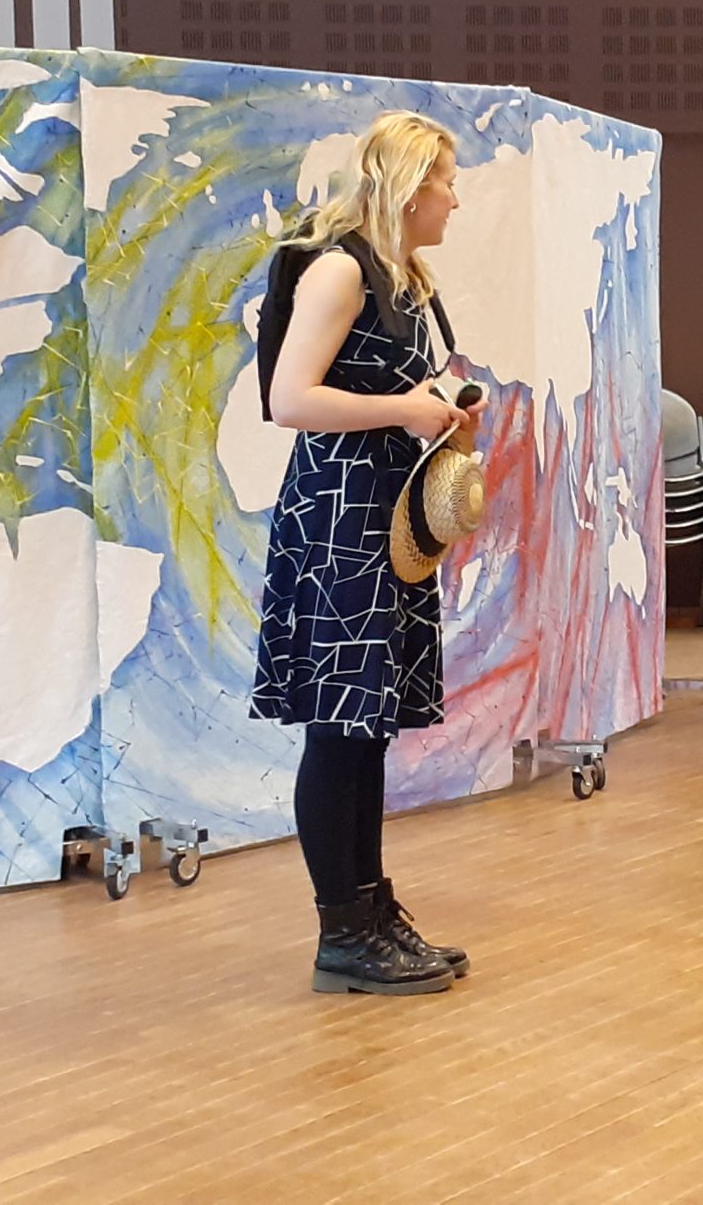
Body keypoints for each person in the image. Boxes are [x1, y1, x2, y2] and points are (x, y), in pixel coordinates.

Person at [252, 110, 484, 995]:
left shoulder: (403, 277)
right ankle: (342, 932)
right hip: (340, 518)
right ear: (411, 186)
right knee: (340, 726)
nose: (455, 200)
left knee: (369, 727)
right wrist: (405, 410)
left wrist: (439, 409)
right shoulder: (342, 270)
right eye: (447, 182)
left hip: (384, 517)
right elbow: (290, 400)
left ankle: (371, 909)